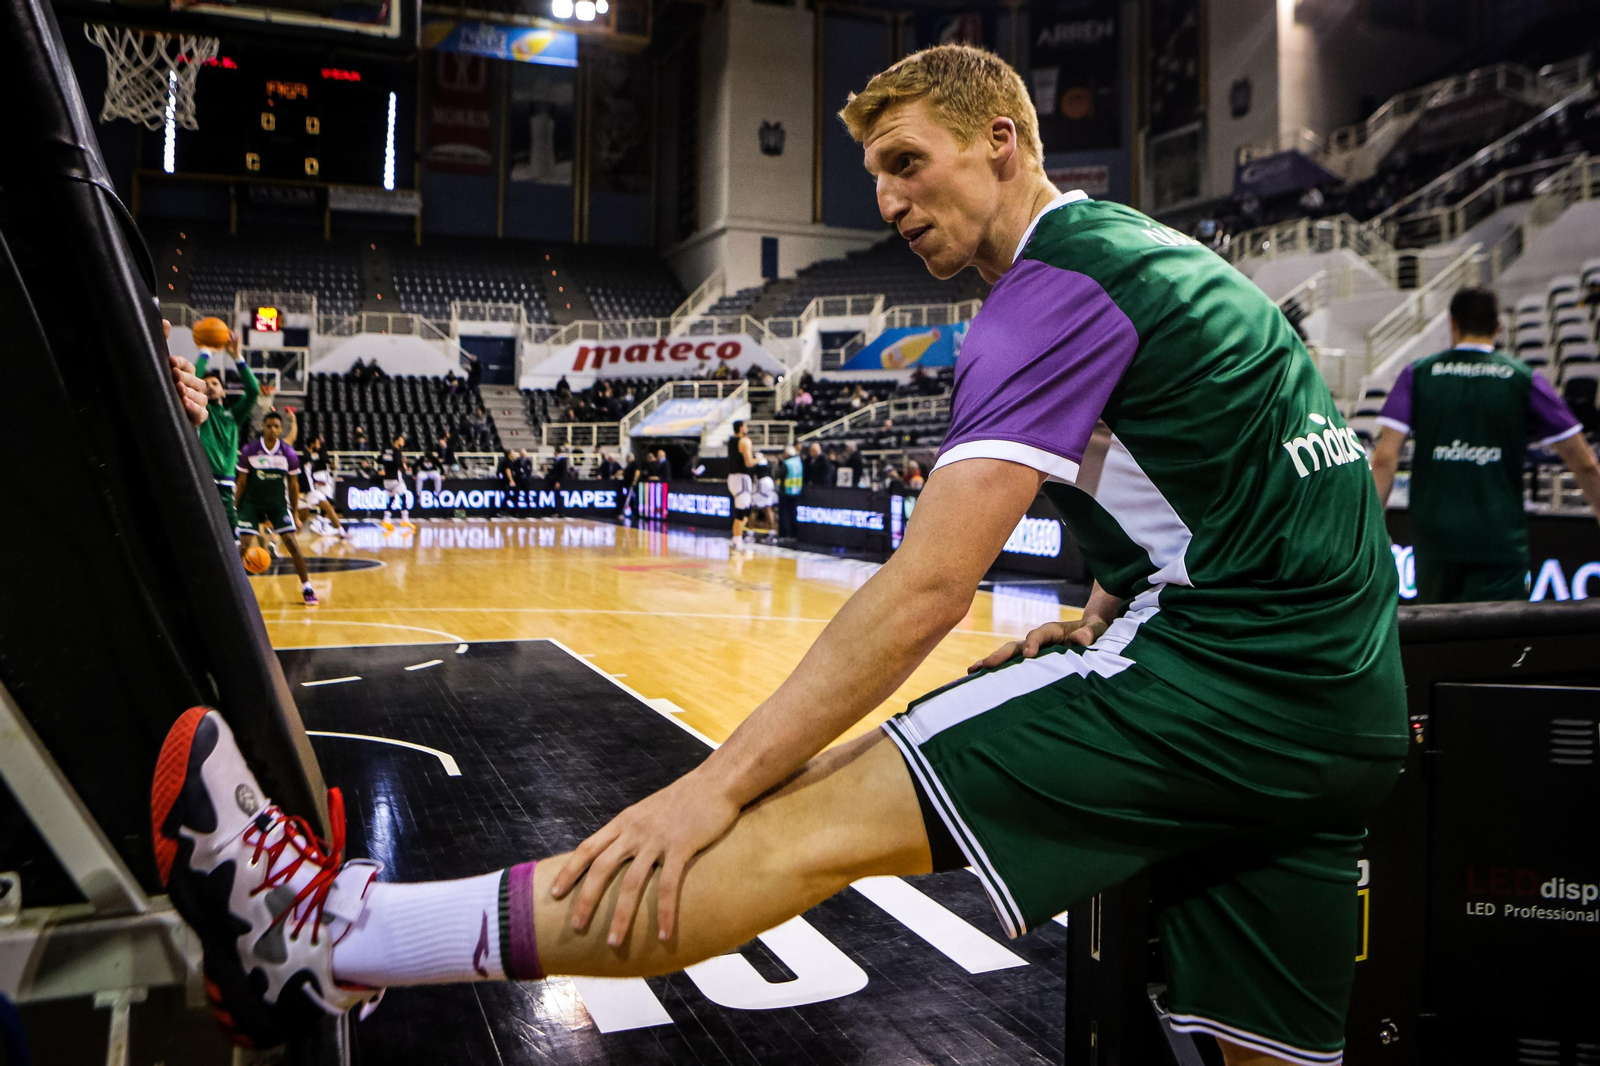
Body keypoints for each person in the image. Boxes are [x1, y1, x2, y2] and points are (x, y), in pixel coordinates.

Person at [157, 47, 1401, 1066]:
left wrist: (718, 777)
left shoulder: (1055, 283)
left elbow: (928, 585)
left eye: (911, 164)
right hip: (1349, 719)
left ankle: (334, 936)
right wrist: (1099, 605)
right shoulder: (1159, 260)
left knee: (778, 822)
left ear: (1004, 142)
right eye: (875, 181)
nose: (894, 202)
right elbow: (1216, 480)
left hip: (1227, 686)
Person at [1370, 286, 1600, 603]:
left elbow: (1384, 458)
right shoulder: (1523, 378)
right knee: (1496, 648)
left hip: (1435, 542)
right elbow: (1584, 462)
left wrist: (1370, 531)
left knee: (1437, 645)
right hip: (1498, 542)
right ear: (1498, 327)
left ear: (1452, 324)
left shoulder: (1417, 374)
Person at [235, 412, 317, 607]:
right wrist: (236, 506)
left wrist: (295, 513)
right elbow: (242, 481)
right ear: (263, 427)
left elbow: (294, 486)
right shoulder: (250, 450)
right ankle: (232, 586)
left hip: (277, 504)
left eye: (276, 426)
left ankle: (307, 587)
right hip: (251, 504)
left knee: (291, 542)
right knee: (245, 544)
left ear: (281, 429)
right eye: (269, 425)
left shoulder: (288, 453)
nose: (272, 429)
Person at [193, 331, 259, 542]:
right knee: (200, 533)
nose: (210, 387)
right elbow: (193, 380)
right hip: (202, 477)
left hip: (226, 482)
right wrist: (206, 352)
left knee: (232, 540)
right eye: (207, 384)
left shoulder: (233, 415)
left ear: (223, 392)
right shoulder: (199, 412)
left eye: (215, 384)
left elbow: (254, 390)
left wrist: (237, 357)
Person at [296, 436, 347, 539]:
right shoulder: (304, 455)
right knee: (327, 509)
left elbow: (308, 473)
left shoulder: (309, 455)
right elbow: (298, 474)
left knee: (304, 518)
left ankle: (341, 533)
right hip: (307, 491)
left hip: (309, 492)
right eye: (317, 443)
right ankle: (341, 532)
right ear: (312, 444)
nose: (319, 446)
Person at [725, 421, 757, 543]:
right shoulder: (744, 441)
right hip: (741, 478)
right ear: (742, 428)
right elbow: (748, 462)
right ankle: (738, 540)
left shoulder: (731, 440)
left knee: (743, 510)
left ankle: (736, 537)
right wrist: (758, 459)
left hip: (732, 478)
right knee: (742, 512)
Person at [379, 434, 412, 532]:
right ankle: (405, 519)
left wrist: (383, 468)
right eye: (401, 440)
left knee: (392, 498)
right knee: (403, 496)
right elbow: (397, 464)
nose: (403, 442)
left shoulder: (385, 451)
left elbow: (380, 459)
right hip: (395, 478)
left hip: (386, 479)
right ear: (396, 441)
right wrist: (403, 465)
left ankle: (386, 519)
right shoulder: (397, 451)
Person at [750, 451, 779, 537]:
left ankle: (750, 533)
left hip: (762, 483)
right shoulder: (766, 462)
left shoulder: (755, 463)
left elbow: (752, 475)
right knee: (768, 508)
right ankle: (772, 533)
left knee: (753, 508)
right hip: (770, 482)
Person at [778, 444, 804, 537]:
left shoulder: (787, 463)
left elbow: (779, 474)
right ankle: (794, 533)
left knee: (784, 514)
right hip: (797, 491)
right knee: (793, 513)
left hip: (786, 492)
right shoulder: (799, 462)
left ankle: (783, 533)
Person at [546, 444, 570, 517]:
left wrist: (559, 482)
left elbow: (562, 472)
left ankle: (560, 512)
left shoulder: (562, 460)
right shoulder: (556, 460)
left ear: (557, 452)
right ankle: (557, 511)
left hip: (558, 481)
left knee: (558, 497)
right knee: (556, 497)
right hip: (555, 481)